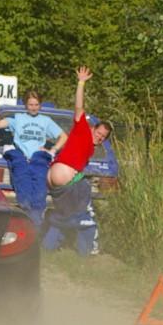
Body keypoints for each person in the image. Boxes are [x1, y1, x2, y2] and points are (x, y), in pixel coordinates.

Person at [43, 67, 112, 256]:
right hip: (61, 177)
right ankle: (88, 251)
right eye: (98, 133)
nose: (99, 138)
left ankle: (48, 247)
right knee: (85, 216)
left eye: (103, 137)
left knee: (64, 215)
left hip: (56, 180)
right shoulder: (82, 128)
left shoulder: (91, 146)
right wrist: (81, 83)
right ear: (92, 128)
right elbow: (79, 107)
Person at [0, 89, 67, 226]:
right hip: (21, 158)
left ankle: (36, 225)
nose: (33, 107)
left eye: (36, 104)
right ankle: (26, 218)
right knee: (23, 189)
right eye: (31, 104)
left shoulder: (46, 121)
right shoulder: (18, 118)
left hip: (38, 160)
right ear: (25, 104)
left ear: (40, 105)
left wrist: (53, 150)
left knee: (39, 193)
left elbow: (64, 137)